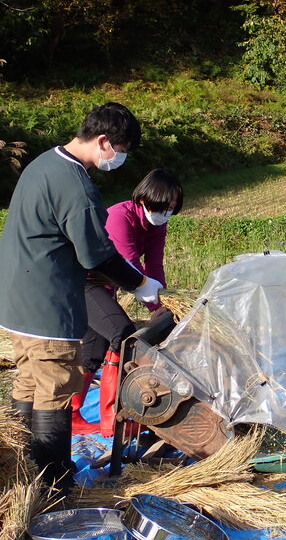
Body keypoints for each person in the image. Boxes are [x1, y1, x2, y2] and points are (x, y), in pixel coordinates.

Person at [0, 103, 163, 495]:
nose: (120, 158)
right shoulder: (75, 184)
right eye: (121, 149)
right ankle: (55, 486)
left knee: (29, 385)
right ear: (103, 140)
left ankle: (20, 472)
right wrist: (140, 283)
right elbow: (96, 254)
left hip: (15, 301)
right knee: (55, 391)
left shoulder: (44, 163)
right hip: (47, 306)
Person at [72, 169, 184, 436]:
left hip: (104, 285)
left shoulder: (157, 224)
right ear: (145, 200)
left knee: (93, 349)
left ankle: (72, 415)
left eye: (171, 209)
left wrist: (164, 309)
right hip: (82, 282)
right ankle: (113, 419)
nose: (166, 214)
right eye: (162, 207)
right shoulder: (119, 217)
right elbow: (130, 266)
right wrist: (151, 301)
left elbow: (154, 265)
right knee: (122, 334)